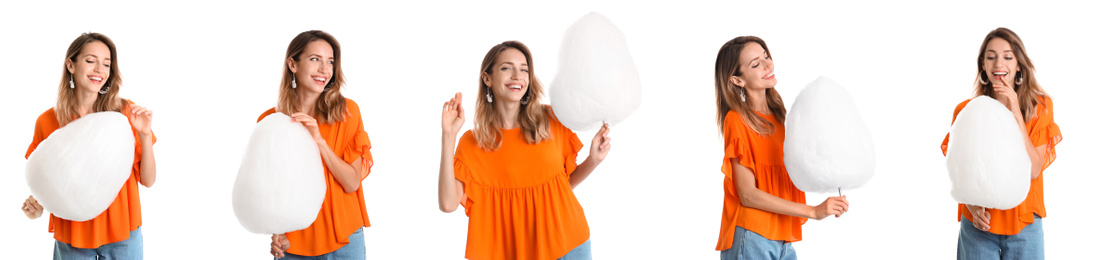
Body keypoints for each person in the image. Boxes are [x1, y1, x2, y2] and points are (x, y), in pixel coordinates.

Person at [437, 41, 611, 260]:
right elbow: (447, 204)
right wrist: (448, 136)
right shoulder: (473, 143)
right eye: (506, 68)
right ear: (487, 78)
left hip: (569, 246)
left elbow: (561, 188)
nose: (517, 75)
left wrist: (593, 159)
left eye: (524, 69)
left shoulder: (551, 120)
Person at [21, 32, 157, 259]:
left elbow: (148, 180)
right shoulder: (47, 121)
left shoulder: (125, 113)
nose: (99, 70)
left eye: (106, 64)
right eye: (90, 60)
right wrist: (35, 208)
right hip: (72, 235)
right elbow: (48, 182)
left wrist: (144, 135)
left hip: (122, 234)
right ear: (71, 65)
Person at [713, 36, 849, 260]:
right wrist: (814, 211)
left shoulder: (780, 118)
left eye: (766, 56)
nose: (768, 65)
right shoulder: (736, 120)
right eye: (755, 64)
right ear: (737, 80)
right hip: (752, 236)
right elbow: (748, 195)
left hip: (783, 240)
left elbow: (787, 179)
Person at [941, 27, 1061, 260]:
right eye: (991, 56)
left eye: (1008, 56)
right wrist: (974, 209)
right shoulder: (966, 111)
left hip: (1025, 224)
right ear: (983, 66)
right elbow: (961, 172)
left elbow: (1034, 169)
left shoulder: (1040, 107)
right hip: (978, 227)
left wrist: (1015, 109)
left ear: (1019, 65)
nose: (999, 64)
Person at [264, 30, 374, 259]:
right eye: (315, 59)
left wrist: (319, 141)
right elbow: (272, 190)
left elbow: (352, 182)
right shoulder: (271, 122)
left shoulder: (347, 112)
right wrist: (276, 233)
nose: (325, 70)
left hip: (344, 239)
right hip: (293, 241)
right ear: (292, 64)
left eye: (330, 62)